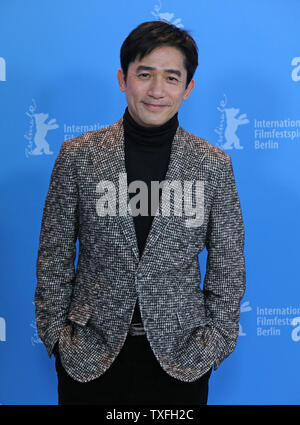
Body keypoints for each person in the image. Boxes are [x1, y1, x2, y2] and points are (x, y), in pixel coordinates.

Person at [35, 20, 246, 406]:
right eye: (144, 74)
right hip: (90, 351)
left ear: (188, 88)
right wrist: (54, 334)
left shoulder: (213, 164)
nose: (156, 90)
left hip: (182, 353)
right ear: (123, 78)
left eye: (171, 78)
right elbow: (54, 254)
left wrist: (216, 341)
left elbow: (228, 262)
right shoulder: (79, 155)